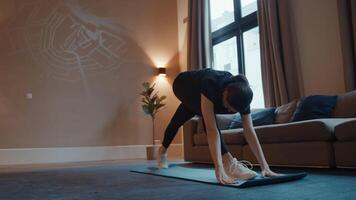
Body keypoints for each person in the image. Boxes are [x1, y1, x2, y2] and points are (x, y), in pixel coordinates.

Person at [157, 68, 281, 184]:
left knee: (177, 121)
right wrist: (218, 167)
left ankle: (162, 151)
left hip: (197, 95)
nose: (228, 110)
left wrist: (265, 166)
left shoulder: (242, 95)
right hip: (182, 85)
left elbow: (249, 130)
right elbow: (211, 130)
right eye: (228, 106)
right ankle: (229, 163)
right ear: (225, 92)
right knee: (204, 116)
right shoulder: (210, 84)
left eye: (233, 111)